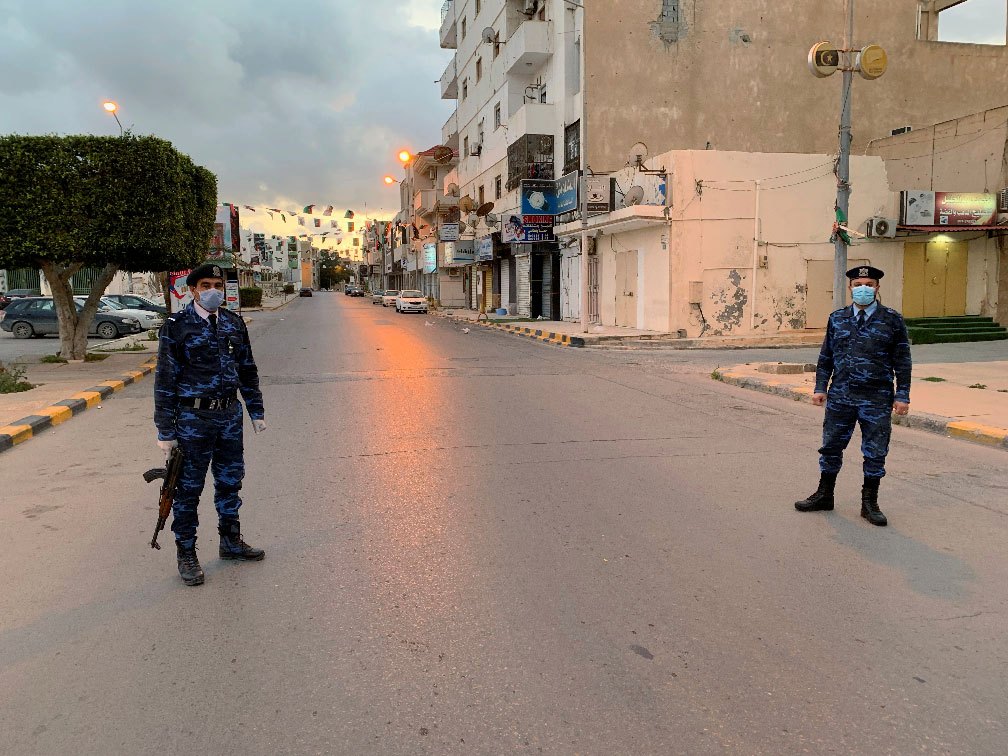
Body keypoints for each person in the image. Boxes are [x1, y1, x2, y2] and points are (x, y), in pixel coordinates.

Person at [154, 263, 267, 586]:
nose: (214, 290)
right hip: (193, 419)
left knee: (230, 481)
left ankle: (230, 540)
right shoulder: (176, 326)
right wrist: (165, 429)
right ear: (192, 289)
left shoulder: (233, 322)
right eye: (206, 285)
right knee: (188, 490)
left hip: (229, 415)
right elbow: (165, 380)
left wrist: (255, 411)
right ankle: (186, 554)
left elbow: (247, 369)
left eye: (218, 284)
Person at [795, 265, 912, 527]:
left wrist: (902, 395)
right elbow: (826, 357)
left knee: (875, 451)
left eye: (869, 284)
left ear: (877, 288)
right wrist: (820, 387)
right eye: (859, 285)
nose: (863, 289)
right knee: (831, 446)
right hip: (841, 396)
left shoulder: (892, 319)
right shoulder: (837, 318)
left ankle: (869, 503)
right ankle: (825, 495)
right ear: (850, 288)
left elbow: (902, 360)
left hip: (877, 397)